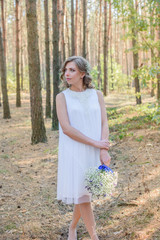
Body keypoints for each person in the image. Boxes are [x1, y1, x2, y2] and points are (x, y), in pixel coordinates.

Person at [56, 56, 111, 240]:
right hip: (74, 151)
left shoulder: (97, 95)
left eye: (72, 70)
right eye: (65, 70)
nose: (67, 74)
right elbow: (67, 128)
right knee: (84, 197)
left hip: (95, 149)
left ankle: (72, 227)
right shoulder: (62, 97)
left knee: (83, 193)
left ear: (83, 73)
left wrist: (103, 148)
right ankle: (94, 237)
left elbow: (104, 122)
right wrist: (96, 143)